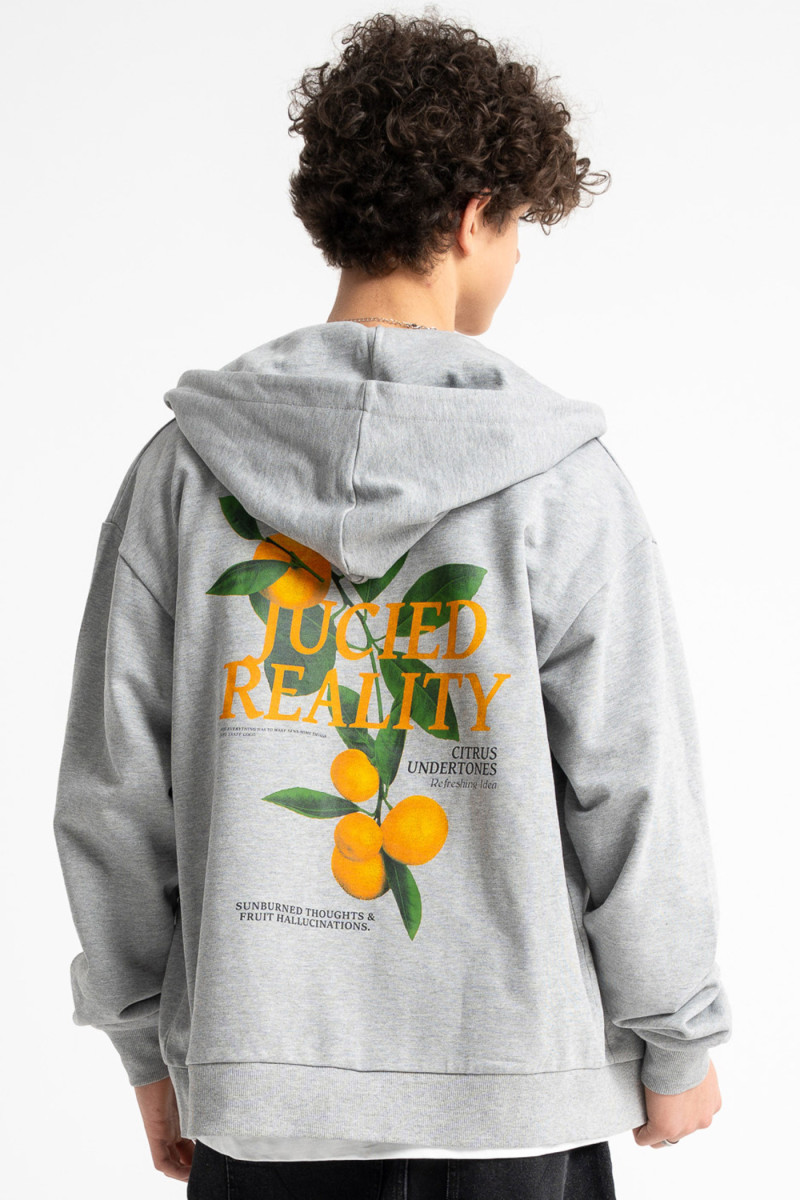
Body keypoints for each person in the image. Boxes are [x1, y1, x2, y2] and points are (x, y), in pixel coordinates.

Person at [52, 9, 732, 1200]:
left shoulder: (182, 474)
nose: (511, 258)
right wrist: (673, 1034)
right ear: (472, 215)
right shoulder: (560, 483)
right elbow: (633, 781)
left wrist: (146, 1043)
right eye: (515, 226)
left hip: (263, 1102)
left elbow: (114, 794)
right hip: (513, 1102)